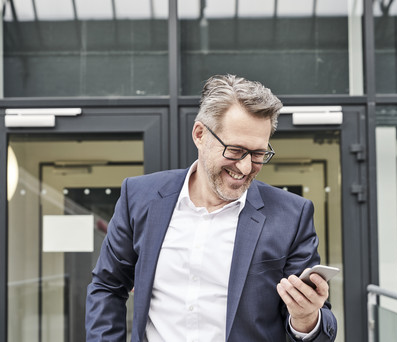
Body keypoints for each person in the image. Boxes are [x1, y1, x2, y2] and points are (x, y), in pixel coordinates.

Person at [85, 74, 337, 342]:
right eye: (235, 150)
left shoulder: (292, 215)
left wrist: (305, 318)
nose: (245, 167)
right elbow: (107, 286)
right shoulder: (139, 196)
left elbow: (320, 325)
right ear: (200, 134)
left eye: (258, 154)